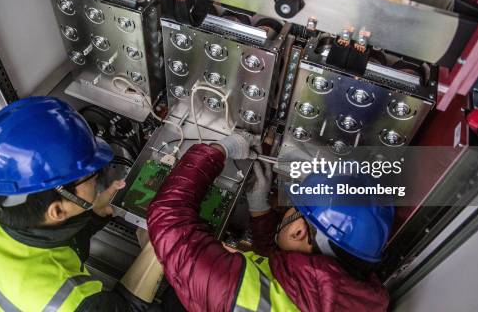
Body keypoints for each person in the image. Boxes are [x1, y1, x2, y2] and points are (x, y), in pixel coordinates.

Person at [0, 96, 153, 312]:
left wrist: (94, 214)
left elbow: (48, 240)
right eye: (92, 175)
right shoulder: (64, 302)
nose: (98, 177)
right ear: (56, 210)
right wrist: (159, 248)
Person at [147, 134, 391, 312]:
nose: (284, 211)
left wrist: (218, 151)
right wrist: (260, 211)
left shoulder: (236, 295)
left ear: (298, 230)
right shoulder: (351, 295)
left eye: (291, 208)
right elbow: (285, 276)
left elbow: (168, 219)